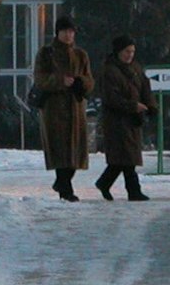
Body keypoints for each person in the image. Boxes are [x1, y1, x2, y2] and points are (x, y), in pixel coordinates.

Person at [33, 14, 94, 200]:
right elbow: (40, 78)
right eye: (65, 31)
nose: (68, 35)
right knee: (59, 150)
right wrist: (60, 81)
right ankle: (66, 190)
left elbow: (90, 80)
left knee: (75, 151)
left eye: (71, 32)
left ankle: (62, 183)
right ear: (57, 33)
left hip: (75, 108)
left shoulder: (80, 55)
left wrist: (80, 83)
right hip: (54, 109)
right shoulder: (46, 53)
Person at [95, 34, 154, 200]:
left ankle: (105, 182)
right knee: (127, 157)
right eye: (127, 51)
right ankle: (133, 191)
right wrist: (132, 106)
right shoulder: (109, 71)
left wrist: (151, 106)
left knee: (123, 158)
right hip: (116, 120)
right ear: (118, 51)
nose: (130, 55)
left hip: (133, 120)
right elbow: (111, 98)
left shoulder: (135, 68)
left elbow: (145, 88)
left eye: (132, 51)